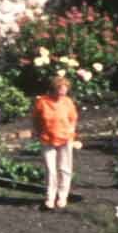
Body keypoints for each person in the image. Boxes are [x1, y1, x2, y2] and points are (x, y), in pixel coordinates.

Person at [31, 70, 80, 210]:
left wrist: (71, 130)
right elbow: (35, 119)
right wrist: (39, 132)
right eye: (60, 92)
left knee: (65, 168)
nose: (62, 95)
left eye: (65, 92)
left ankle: (63, 196)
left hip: (65, 138)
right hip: (47, 139)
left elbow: (73, 118)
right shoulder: (42, 103)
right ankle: (50, 197)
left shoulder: (68, 102)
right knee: (50, 169)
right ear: (53, 90)